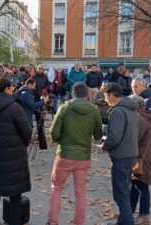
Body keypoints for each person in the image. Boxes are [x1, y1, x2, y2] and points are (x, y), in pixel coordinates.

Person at [47, 83, 102, 225]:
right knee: (80, 191)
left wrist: (59, 140)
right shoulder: (94, 110)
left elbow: (54, 133)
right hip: (83, 156)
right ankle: (79, 222)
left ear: (73, 93)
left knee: (56, 188)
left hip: (64, 154)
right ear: (86, 95)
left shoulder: (64, 108)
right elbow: (98, 135)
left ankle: (53, 222)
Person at [0, 77, 32, 225]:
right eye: (11, 88)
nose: (13, 91)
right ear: (7, 89)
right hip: (13, 156)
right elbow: (25, 131)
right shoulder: (15, 107)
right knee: (15, 193)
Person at [102, 83, 139, 225]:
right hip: (130, 154)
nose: (105, 100)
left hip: (121, 156)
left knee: (120, 195)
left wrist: (105, 145)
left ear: (111, 94)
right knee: (123, 192)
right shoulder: (131, 109)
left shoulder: (118, 111)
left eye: (105, 96)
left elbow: (115, 136)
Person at [128, 95, 151, 225]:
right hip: (142, 156)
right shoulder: (143, 119)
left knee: (141, 186)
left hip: (141, 157)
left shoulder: (140, 120)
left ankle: (144, 215)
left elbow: (134, 138)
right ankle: (129, 211)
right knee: (135, 185)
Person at [17, 79, 49, 150]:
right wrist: (44, 101)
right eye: (33, 86)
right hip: (25, 119)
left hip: (27, 118)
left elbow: (32, 108)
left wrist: (40, 112)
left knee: (26, 140)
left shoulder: (27, 93)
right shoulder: (25, 93)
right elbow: (33, 105)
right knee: (24, 141)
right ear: (29, 84)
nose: (34, 88)